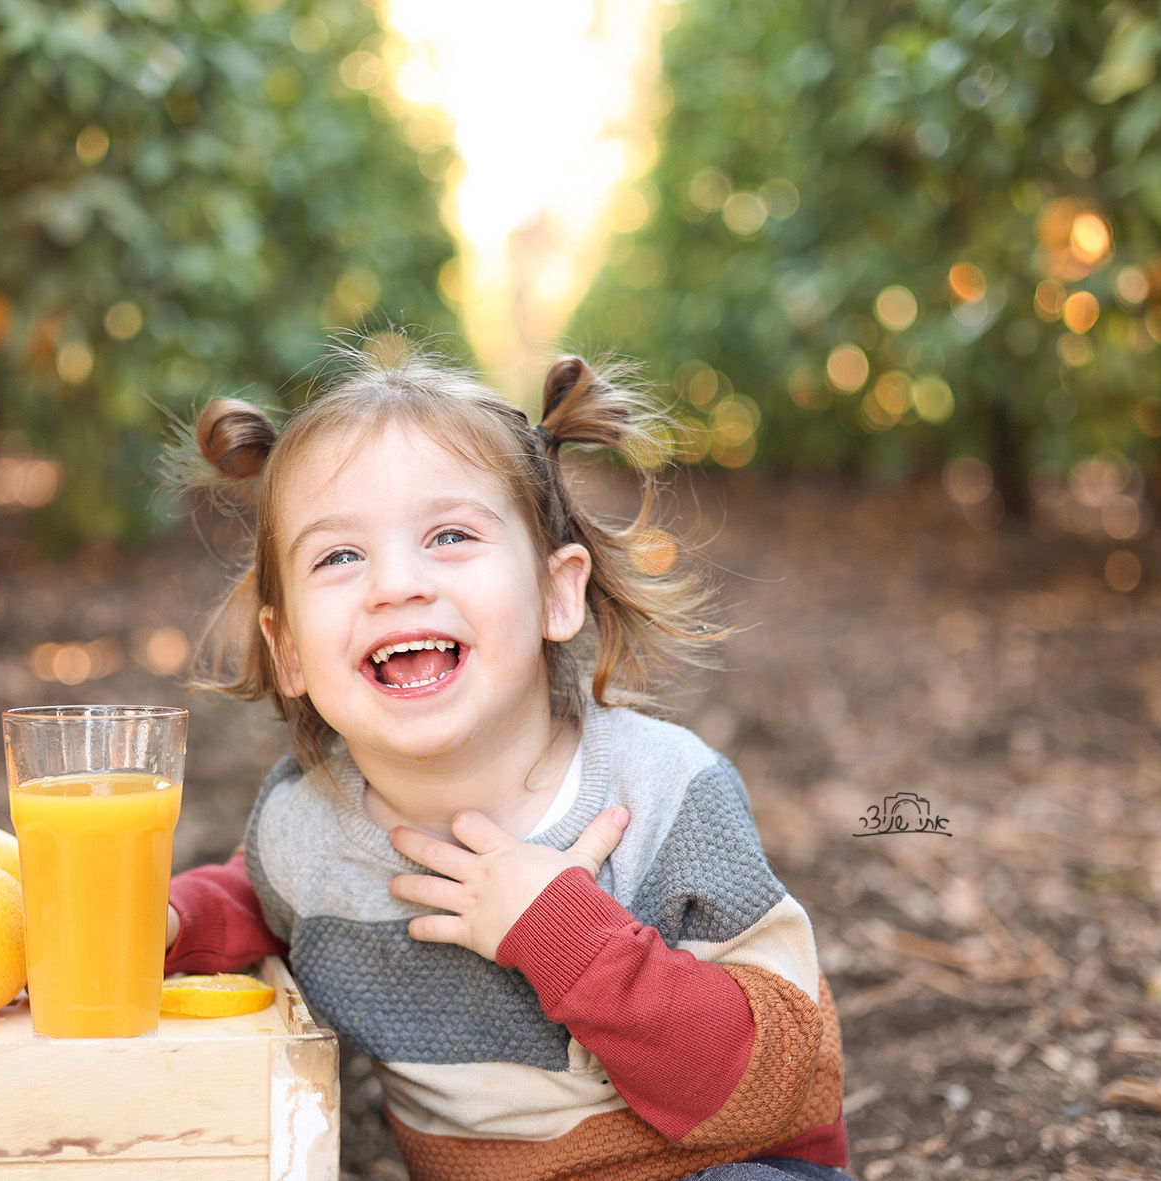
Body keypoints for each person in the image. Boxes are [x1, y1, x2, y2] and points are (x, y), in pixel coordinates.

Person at [164, 340, 850, 1181]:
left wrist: (563, 933)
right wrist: (171, 921)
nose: (395, 584)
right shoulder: (308, 825)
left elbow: (776, 1083)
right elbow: (266, 895)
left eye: (449, 535)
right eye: (339, 556)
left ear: (558, 592)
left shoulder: (666, 796)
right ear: (289, 651)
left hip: (718, 1161)